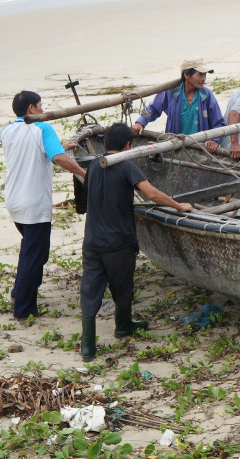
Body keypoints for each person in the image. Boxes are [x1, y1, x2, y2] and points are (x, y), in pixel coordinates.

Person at [79, 124, 192, 362]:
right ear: (128, 146)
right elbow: (151, 194)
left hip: (92, 241)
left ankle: (88, 346)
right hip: (118, 242)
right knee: (123, 288)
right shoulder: (126, 165)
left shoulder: (93, 167)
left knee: (90, 291)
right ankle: (123, 325)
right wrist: (179, 206)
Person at [1, 91, 86, 320]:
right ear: (31, 108)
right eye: (40, 106)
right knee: (36, 255)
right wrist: (84, 172)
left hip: (14, 200)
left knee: (31, 250)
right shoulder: (43, 128)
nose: (42, 110)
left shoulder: (6, 130)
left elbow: (32, 148)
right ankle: (24, 310)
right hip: (33, 203)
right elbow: (57, 158)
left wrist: (60, 145)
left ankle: (19, 293)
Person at [132, 58, 224, 153]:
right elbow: (153, 108)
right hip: (175, 148)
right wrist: (140, 122)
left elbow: (219, 123)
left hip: (199, 150)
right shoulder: (171, 92)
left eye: (204, 75)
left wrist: (214, 140)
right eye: (200, 74)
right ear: (187, 75)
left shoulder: (206, 96)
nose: (203, 79)